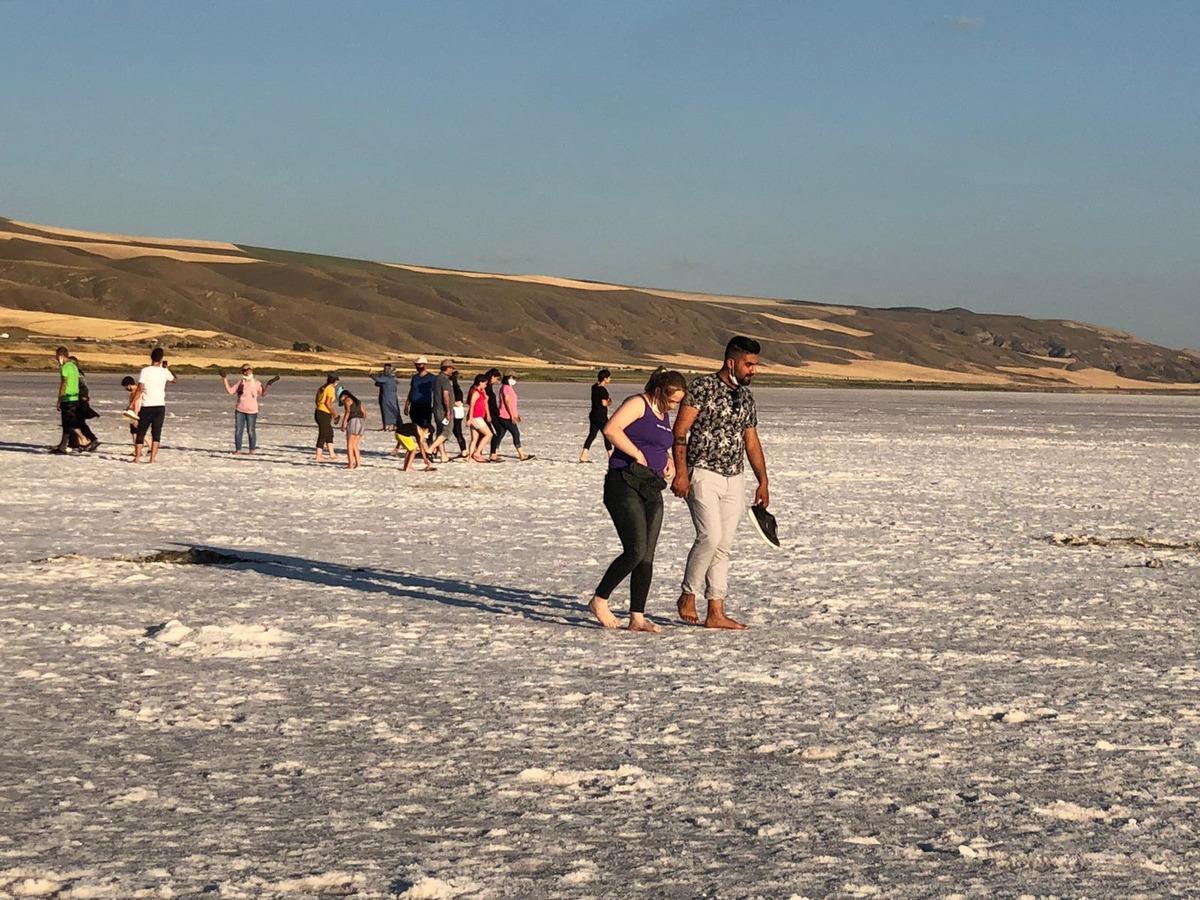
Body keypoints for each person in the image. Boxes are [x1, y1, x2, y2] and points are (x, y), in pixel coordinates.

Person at [670, 336, 769, 630]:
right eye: (748, 364)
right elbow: (680, 430)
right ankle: (688, 594)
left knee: (723, 545)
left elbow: (751, 440)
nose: (753, 370)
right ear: (731, 363)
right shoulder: (702, 387)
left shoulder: (746, 397)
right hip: (702, 471)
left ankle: (716, 610)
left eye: (755, 365)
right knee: (710, 537)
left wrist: (762, 480)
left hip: (734, 476)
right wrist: (681, 472)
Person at [588, 368, 687, 633]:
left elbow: (656, 443)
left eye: (678, 402)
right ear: (659, 391)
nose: (673, 406)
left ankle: (637, 617)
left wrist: (667, 460)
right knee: (635, 550)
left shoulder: (663, 414)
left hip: (650, 486)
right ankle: (600, 599)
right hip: (624, 482)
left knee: (647, 556)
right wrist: (637, 454)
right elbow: (611, 429)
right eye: (671, 400)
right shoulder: (638, 403)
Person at [128, 347, 176, 463]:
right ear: (161, 358)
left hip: (147, 405)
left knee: (141, 432)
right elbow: (174, 380)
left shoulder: (145, 371)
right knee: (156, 433)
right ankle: (152, 458)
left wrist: (133, 402)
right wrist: (167, 368)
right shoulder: (164, 371)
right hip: (160, 406)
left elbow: (140, 388)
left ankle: (137, 458)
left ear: (151, 357)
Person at [221, 364, 277, 454]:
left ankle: (252, 450)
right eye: (244, 370)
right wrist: (224, 378)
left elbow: (263, 394)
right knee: (238, 431)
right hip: (240, 410)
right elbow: (230, 391)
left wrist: (269, 384)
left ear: (251, 370)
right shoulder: (240, 382)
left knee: (251, 431)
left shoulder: (257, 383)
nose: (247, 371)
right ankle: (238, 450)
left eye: (248, 369)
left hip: (252, 411)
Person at [51, 347, 95, 454]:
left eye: (57, 356)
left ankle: (85, 440)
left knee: (68, 423)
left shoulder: (65, 367)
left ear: (61, 356)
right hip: (75, 398)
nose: (56, 359)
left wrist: (59, 398)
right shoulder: (74, 367)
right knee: (69, 423)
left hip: (68, 398)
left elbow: (64, 383)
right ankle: (63, 445)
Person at [495, 374, 533, 461]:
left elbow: (513, 404)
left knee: (500, 434)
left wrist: (516, 414)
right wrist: (512, 416)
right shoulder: (505, 388)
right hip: (505, 415)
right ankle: (521, 454)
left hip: (508, 415)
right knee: (515, 433)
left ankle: (494, 452)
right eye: (512, 378)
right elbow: (507, 402)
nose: (514, 380)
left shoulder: (509, 388)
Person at [579, 369, 612, 463]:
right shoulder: (603, 390)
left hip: (593, 414)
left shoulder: (594, 387)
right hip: (601, 416)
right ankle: (611, 457)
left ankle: (583, 456)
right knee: (607, 435)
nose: (610, 379)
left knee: (592, 435)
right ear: (605, 378)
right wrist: (609, 402)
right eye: (609, 377)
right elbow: (604, 403)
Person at [69, 355, 100, 452]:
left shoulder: (77, 373)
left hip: (79, 400)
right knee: (79, 422)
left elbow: (82, 386)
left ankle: (88, 439)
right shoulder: (76, 372)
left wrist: (83, 398)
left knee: (75, 422)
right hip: (78, 399)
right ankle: (80, 442)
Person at [464, 374, 492, 463]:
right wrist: (470, 418)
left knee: (474, 439)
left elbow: (485, 402)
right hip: (475, 417)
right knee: (488, 434)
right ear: (480, 382)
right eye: (485, 383)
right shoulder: (475, 393)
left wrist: (487, 414)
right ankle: (477, 453)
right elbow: (472, 406)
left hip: (478, 416)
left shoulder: (481, 391)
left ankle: (470, 457)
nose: (486, 385)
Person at [432, 360, 456, 463]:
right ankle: (430, 449)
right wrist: (448, 411)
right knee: (446, 432)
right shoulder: (445, 380)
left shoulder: (437, 378)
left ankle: (443, 456)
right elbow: (445, 395)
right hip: (443, 410)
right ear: (448, 368)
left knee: (440, 432)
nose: (452, 370)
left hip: (437, 408)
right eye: (451, 368)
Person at [405, 357, 436, 430]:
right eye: (416, 365)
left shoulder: (432, 378)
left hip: (425, 405)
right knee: (415, 426)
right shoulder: (415, 377)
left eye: (419, 365)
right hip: (414, 405)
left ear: (425, 365)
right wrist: (407, 405)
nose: (417, 367)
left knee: (426, 426)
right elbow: (412, 391)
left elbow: (436, 392)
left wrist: (435, 406)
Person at [339, 388, 367, 469]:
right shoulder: (358, 401)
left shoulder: (347, 400)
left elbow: (348, 411)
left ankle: (350, 464)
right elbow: (365, 413)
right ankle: (358, 463)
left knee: (349, 445)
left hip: (353, 421)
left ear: (344, 395)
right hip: (361, 422)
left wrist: (344, 423)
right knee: (355, 444)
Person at [314, 374, 339, 462]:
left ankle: (332, 453)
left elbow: (317, 400)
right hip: (323, 413)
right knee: (323, 434)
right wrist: (335, 414)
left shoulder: (323, 387)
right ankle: (318, 455)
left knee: (329, 433)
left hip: (319, 412)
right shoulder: (330, 388)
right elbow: (328, 403)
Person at [370, 363, 400, 431]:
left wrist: (371, 375)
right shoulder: (390, 378)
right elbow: (377, 384)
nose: (385, 370)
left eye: (387, 368)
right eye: (385, 368)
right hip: (388, 396)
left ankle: (389, 426)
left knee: (388, 410)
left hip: (387, 397)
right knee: (389, 410)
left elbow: (377, 380)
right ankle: (391, 426)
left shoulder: (388, 378)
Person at [485, 368, 505, 462]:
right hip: (489, 413)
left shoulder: (489, 386)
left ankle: (492, 453)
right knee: (497, 432)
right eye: (496, 379)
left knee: (498, 431)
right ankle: (492, 454)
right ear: (492, 377)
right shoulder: (486, 387)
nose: (497, 381)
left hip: (493, 413)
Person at [449, 370, 468, 458]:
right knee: (455, 431)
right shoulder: (455, 389)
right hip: (456, 413)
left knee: (457, 431)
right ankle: (463, 450)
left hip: (457, 414)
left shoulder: (456, 390)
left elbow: (458, 403)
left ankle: (464, 450)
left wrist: (448, 403)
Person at [121, 376, 140, 446]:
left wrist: (135, 416)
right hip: (132, 412)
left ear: (129, 385)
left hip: (136, 412)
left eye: (126, 387)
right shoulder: (133, 392)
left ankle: (150, 445)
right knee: (133, 431)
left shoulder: (137, 392)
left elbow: (137, 404)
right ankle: (136, 447)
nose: (126, 389)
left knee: (139, 431)